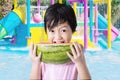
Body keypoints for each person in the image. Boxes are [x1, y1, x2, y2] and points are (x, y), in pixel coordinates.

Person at [29, 3, 91, 80]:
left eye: (63, 30)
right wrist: (35, 63)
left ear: (72, 30)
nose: (58, 37)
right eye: (52, 31)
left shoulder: (76, 55)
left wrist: (80, 63)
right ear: (46, 32)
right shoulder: (42, 55)